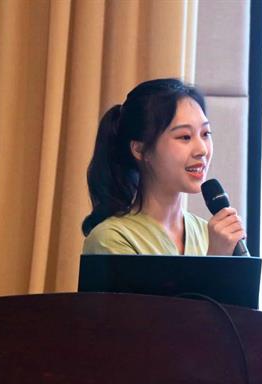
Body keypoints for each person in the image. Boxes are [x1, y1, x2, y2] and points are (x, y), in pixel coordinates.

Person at [82, 78, 245, 256]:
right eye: (185, 137)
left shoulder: (210, 234)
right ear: (140, 149)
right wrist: (217, 258)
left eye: (205, 134)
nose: (202, 150)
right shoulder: (111, 238)